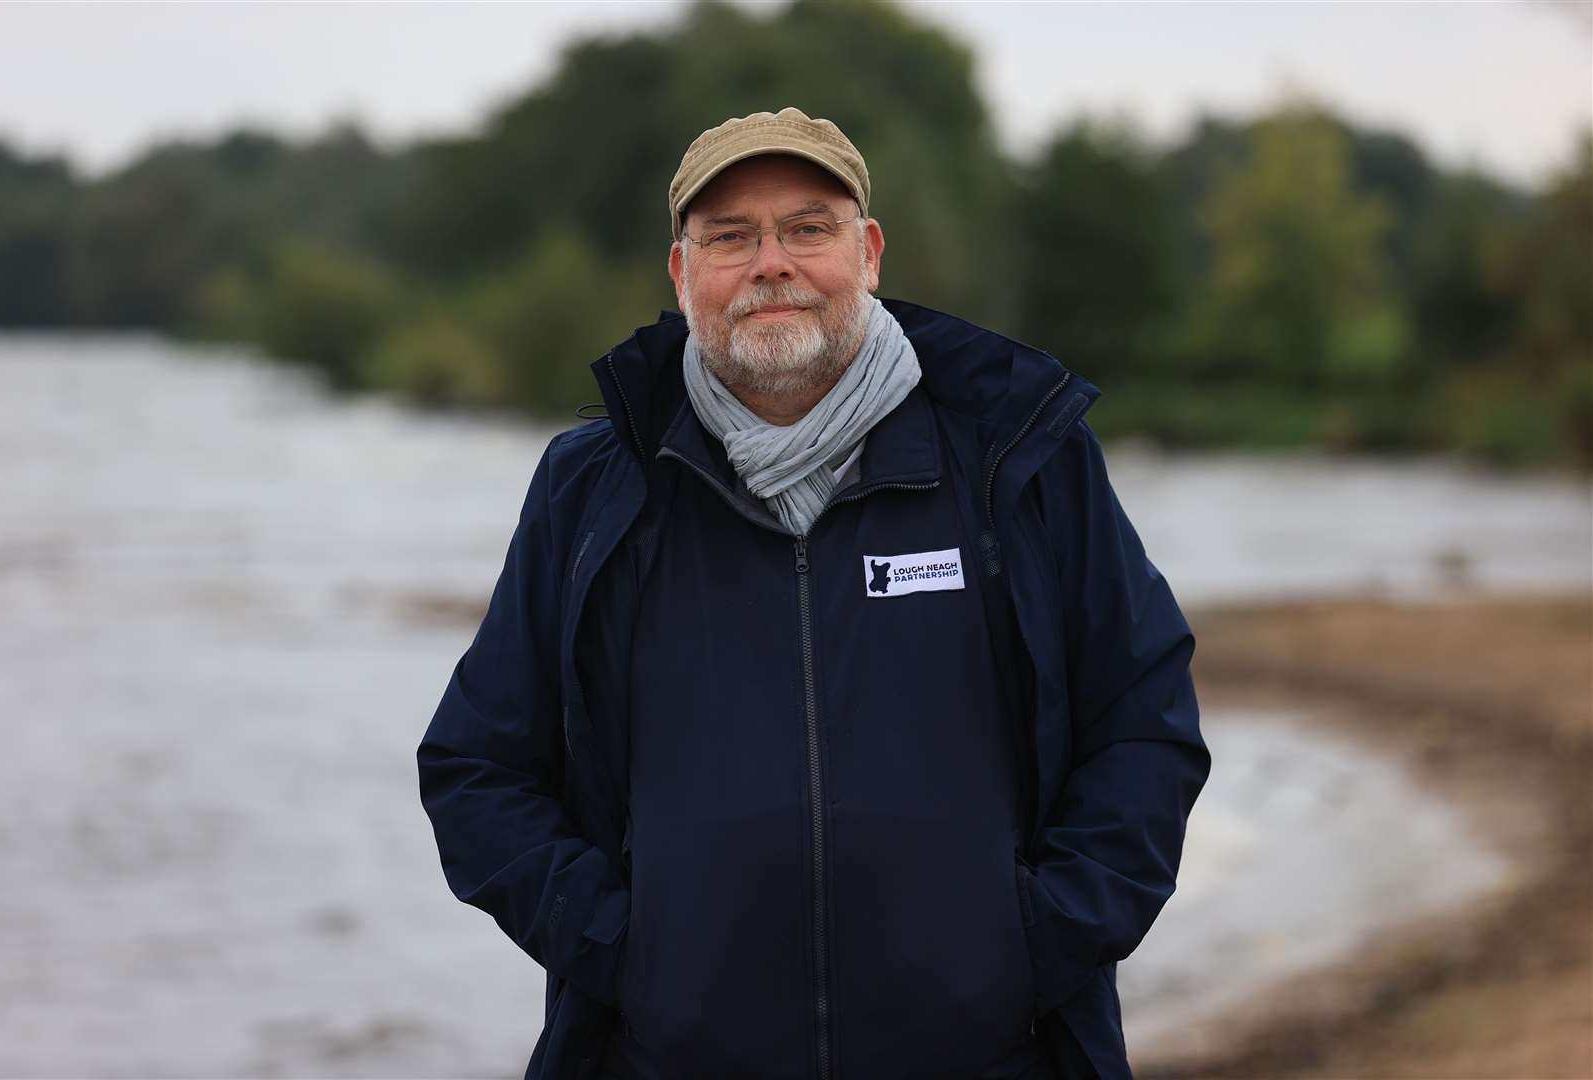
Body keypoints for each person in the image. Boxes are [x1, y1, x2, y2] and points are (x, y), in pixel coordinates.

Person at [418, 107, 1210, 1080]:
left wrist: (1032, 944)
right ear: (681, 273)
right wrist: (627, 953)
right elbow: (475, 767)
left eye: (807, 227)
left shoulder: (1018, 460)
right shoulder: (595, 488)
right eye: (730, 236)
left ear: (868, 253)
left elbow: (1145, 721)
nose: (771, 264)